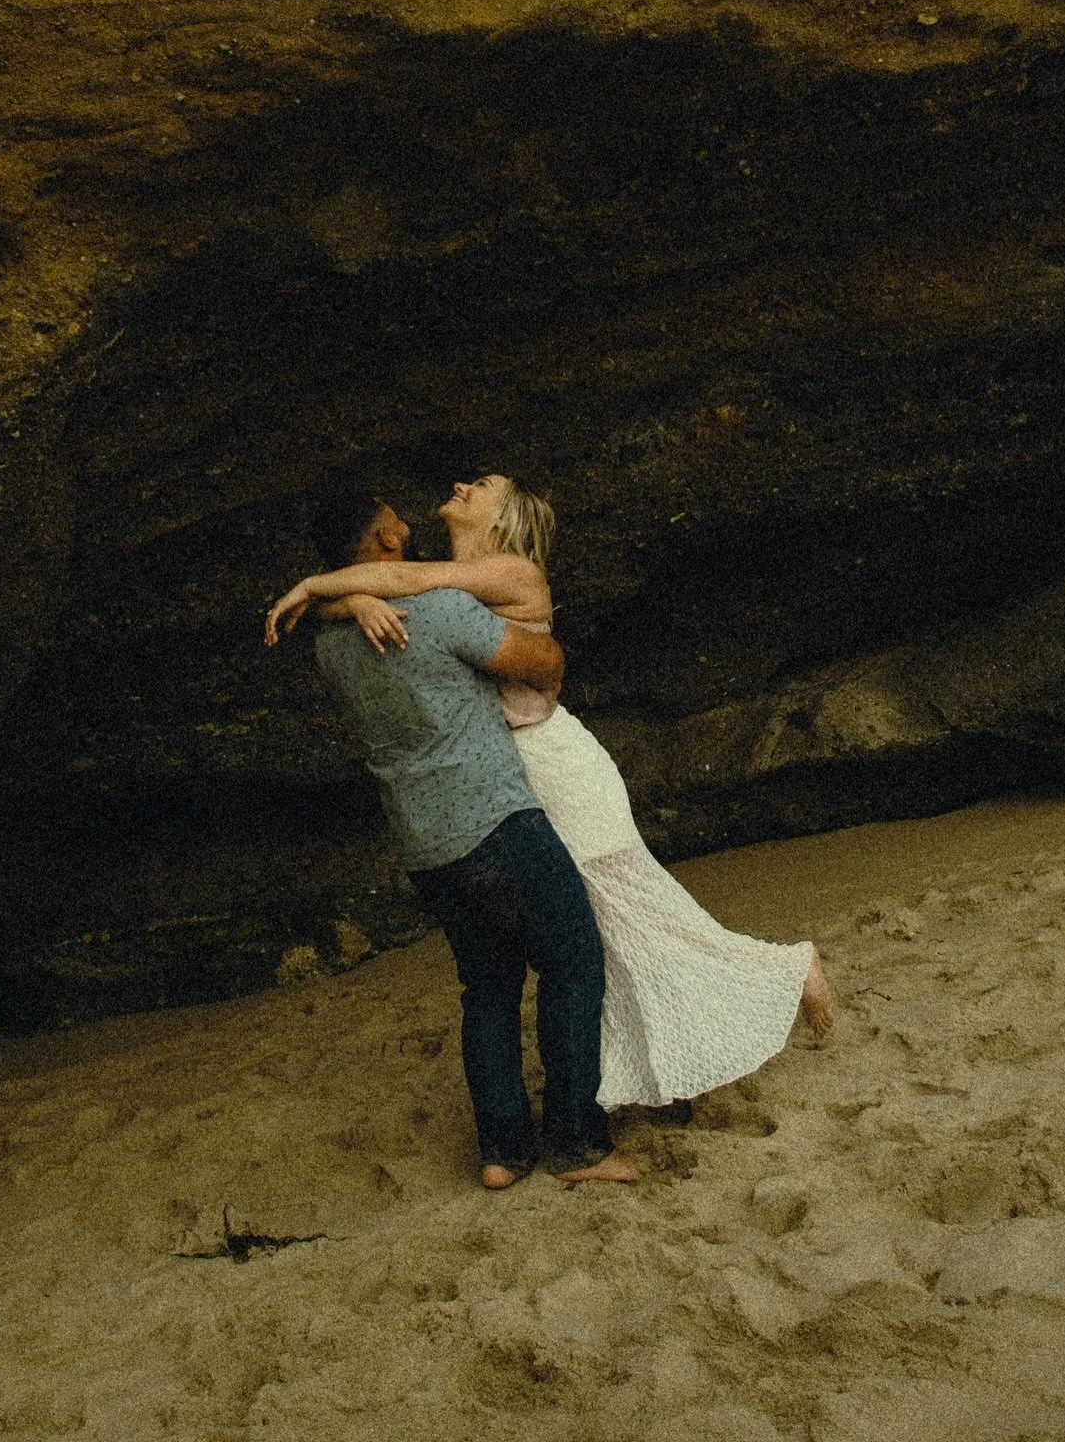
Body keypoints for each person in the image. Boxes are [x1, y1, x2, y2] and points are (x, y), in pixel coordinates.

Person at [266, 474, 834, 1116]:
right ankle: (645, 1070)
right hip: (513, 773)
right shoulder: (450, 576)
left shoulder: (511, 571)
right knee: (600, 928)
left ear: (503, 522)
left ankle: (786, 969)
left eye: (480, 486)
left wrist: (320, 588)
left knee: (627, 907)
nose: (460, 484)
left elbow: (399, 585)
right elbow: (387, 584)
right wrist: (352, 601)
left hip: (553, 764)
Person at [273, 488, 636, 1190]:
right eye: (394, 521)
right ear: (383, 541)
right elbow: (541, 664)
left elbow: (336, 610)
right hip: (499, 822)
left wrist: (343, 600)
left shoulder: (330, 646)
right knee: (573, 962)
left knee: (488, 987)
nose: (408, 525)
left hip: (423, 844)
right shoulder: (439, 611)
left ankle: (503, 1153)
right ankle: (577, 1144)